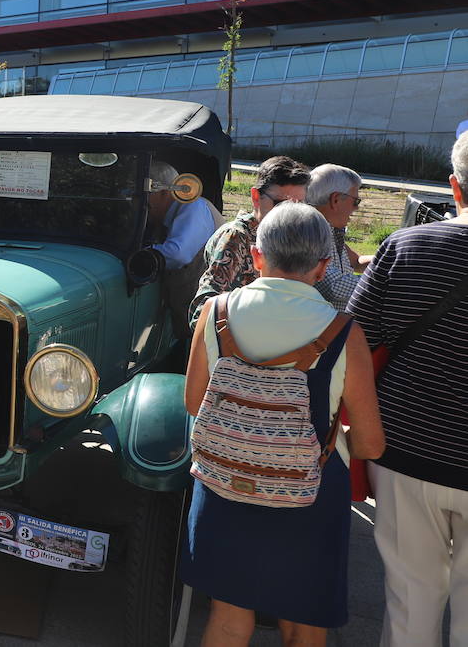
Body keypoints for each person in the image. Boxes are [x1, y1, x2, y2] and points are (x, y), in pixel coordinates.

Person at [184, 202, 384, 646]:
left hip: (225, 480)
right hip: (309, 494)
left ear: (257, 256)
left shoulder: (214, 314)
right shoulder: (343, 332)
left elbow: (195, 402)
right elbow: (370, 444)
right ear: (323, 266)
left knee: (228, 618)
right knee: (303, 623)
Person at [348, 133, 468, 646]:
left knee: (410, 599)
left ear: (455, 188)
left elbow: (352, 342)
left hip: (404, 452)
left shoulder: (405, 247)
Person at [190, 155, 310, 330]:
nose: (290, 214)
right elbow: (203, 313)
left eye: (299, 205)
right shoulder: (236, 238)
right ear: (255, 196)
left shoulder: (290, 237)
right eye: (280, 204)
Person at [145, 160, 226, 342]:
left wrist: (143, 254)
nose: (141, 201)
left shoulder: (194, 207)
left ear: (164, 193)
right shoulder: (165, 217)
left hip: (207, 327)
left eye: (147, 194)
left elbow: (177, 254)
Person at [306, 164, 372, 311]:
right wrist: (386, 282)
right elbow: (334, 287)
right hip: (322, 330)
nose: (357, 208)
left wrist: (392, 259)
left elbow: (356, 262)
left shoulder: (330, 229)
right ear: (335, 200)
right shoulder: (309, 230)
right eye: (356, 201)